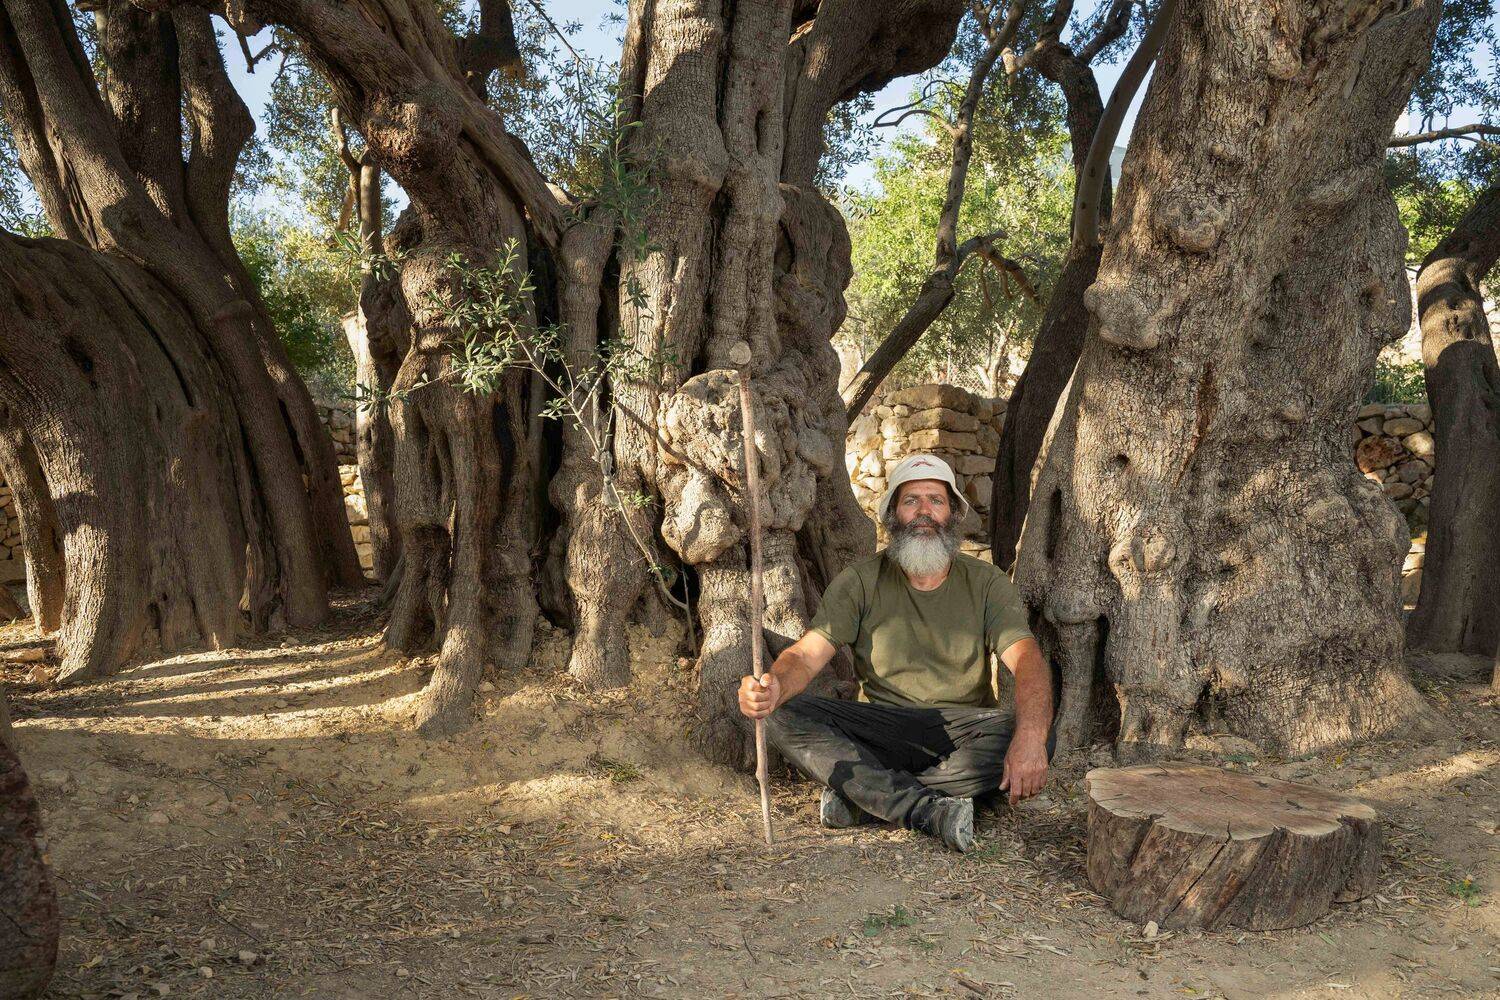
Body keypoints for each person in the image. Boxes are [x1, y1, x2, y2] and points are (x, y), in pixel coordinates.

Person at [737, 453, 1054, 853]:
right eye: (911, 501)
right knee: (780, 714)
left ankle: (867, 797)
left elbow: (1027, 661)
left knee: (1038, 735)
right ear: (892, 515)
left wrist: (1030, 737)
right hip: (881, 728)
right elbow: (805, 656)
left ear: (953, 514)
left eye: (936, 500)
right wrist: (774, 687)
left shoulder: (987, 582)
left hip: (962, 730)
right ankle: (926, 808)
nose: (924, 511)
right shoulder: (860, 580)